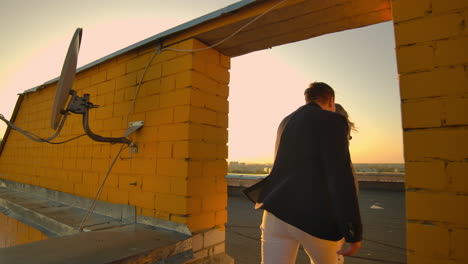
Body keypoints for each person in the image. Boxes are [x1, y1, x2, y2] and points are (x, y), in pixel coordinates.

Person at [243, 82, 362, 264]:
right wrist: (352, 230)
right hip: (315, 216)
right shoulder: (332, 120)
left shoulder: (286, 121)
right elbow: (341, 178)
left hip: (275, 212)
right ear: (331, 100)